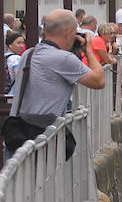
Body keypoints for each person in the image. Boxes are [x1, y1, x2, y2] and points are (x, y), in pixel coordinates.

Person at [4, 10, 105, 152]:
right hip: (44, 143)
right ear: (68, 31)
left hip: (19, 137)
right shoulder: (64, 59)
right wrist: (88, 50)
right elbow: (99, 80)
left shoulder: (29, 53)